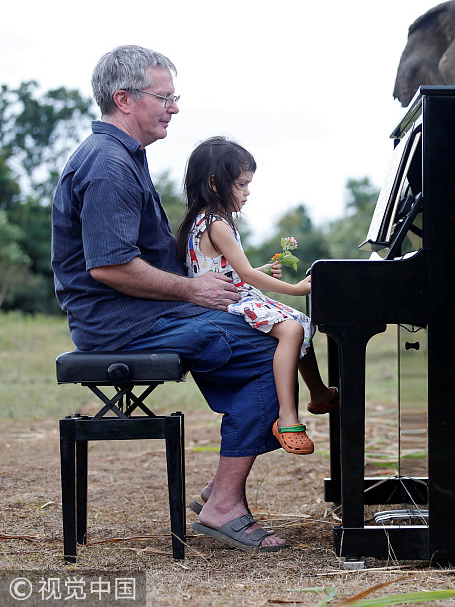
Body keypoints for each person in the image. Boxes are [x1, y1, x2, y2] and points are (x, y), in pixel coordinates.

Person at [52, 45, 287, 551]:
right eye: (165, 97)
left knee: (266, 331)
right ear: (124, 99)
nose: (174, 107)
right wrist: (194, 288)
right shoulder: (108, 165)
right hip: (121, 324)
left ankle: (221, 491)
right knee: (270, 348)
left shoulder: (125, 158)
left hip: (145, 314)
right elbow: (110, 265)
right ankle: (224, 503)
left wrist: (232, 280)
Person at [175, 136, 338, 455]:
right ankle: (288, 417)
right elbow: (246, 275)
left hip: (228, 295)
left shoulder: (202, 220)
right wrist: (297, 288)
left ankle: (319, 394)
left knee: (297, 321)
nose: (247, 192)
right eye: (241, 184)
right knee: (291, 328)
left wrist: (263, 267)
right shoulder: (217, 223)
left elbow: (224, 268)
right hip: (227, 304)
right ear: (214, 182)